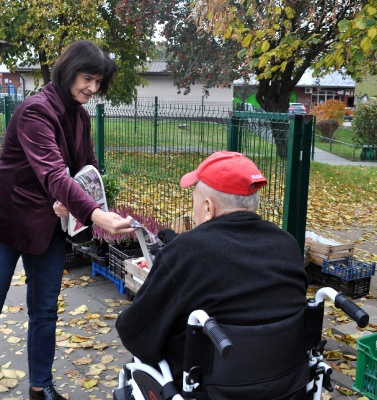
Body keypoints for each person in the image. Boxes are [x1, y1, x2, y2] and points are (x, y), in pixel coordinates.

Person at [0, 40, 135, 400]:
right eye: (87, 78)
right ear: (68, 70)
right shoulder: (35, 112)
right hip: (7, 222)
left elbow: (84, 171)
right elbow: (54, 175)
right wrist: (92, 212)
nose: (92, 88)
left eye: (98, 83)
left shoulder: (81, 115)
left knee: (44, 311)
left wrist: (80, 203)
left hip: (48, 231)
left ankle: (40, 387)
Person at [116, 151, 309, 399]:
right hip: (284, 386)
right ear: (254, 205)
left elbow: (136, 335)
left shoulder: (185, 254)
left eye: (194, 201)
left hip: (208, 390)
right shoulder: (287, 245)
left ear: (208, 207)